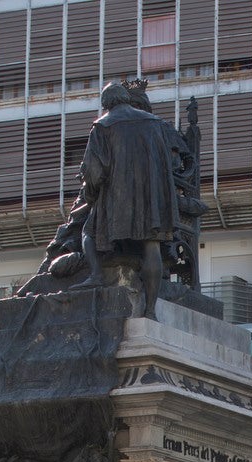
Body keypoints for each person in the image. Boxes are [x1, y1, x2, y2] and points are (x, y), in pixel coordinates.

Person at [76, 82, 180, 318]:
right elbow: (168, 161)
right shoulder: (154, 123)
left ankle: (96, 275)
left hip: (117, 199)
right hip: (151, 197)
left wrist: (91, 197)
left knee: (88, 232)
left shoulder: (102, 125)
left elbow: (94, 171)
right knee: (151, 245)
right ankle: (150, 310)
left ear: (106, 103)